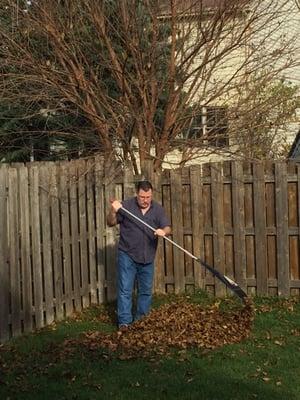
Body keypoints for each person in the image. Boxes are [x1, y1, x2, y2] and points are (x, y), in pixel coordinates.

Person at [106, 180, 171, 330]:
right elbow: (110, 222)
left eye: (148, 197)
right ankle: (124, 322)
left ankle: (142, 319)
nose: (145, 200)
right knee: (125, 289)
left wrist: (163, 231)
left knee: (146, 291)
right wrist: (113, 210)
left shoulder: (158, 210)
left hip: (148, 256)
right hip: (127, 254)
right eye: (142, 197)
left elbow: (167, 227)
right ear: (137, 194)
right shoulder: (126, 206)